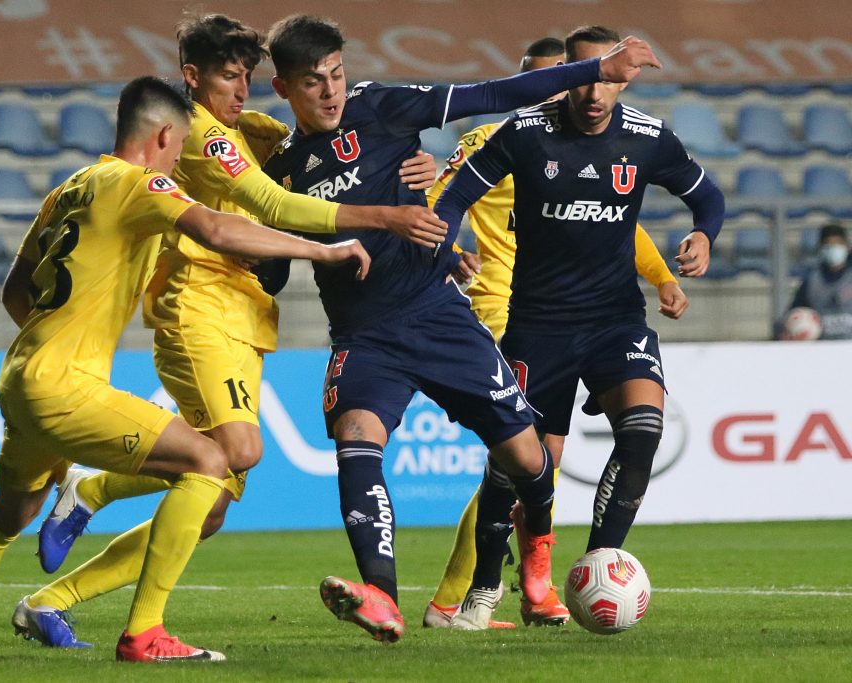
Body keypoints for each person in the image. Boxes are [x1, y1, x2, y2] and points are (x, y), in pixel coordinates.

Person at [15, 14, 441, 648]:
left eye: (246, 76)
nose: (241, 90)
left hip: (245, 315)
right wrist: (375, 218)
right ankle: (103, 514)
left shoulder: (252, 130)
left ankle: (52, 600)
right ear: (193, 78)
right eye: (227, 76)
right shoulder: (199, 138)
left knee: (209, 505)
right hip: (198, 306)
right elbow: (273, 205)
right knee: (235, 452)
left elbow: (317, 145)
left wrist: (411, 164)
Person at [0, 76, 372, 663]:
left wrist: (58, 344)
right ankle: (144, 634)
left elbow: (14, 292)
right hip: (65, 386)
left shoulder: (69, 189)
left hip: (21, 376)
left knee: (12, 513)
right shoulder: (140, 183)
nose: (180, 158)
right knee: (210, 461)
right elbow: (215, 227)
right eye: (179, 147)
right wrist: (325, 249)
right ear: (162, 135)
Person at [259, 15, 662, 641]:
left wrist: (595, 71)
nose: (332, 91)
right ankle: (382, 596)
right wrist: (257, 251)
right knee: (356, 436)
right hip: (365, 334)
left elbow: (493, 95)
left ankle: (533, 565)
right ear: (284, 89)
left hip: (440, 314)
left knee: (530, 460)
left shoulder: (384, 106)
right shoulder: (281, 173)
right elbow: (274, 275)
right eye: (315, 83)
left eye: (337, 74)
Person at [433, 25, 725, 629]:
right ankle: (487, 583)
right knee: (524, 465)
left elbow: (708, 195)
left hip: (617, 320)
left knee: (643, 429)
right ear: (566, 75)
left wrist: (703, 235)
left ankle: (599, 561)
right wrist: (443, 250)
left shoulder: (647, 137)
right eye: (584, 76)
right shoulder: (523, 133)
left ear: (626, 76)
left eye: (609, 77)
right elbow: (454, 195)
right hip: (538, 326)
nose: (596, 91)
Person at [785, 223, 852, 339]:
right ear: (821, 248)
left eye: (838, 244)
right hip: (822, 349)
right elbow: (794, 312)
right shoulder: (811, 280)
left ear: (847, 246)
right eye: (829, 245)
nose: (834, 249)